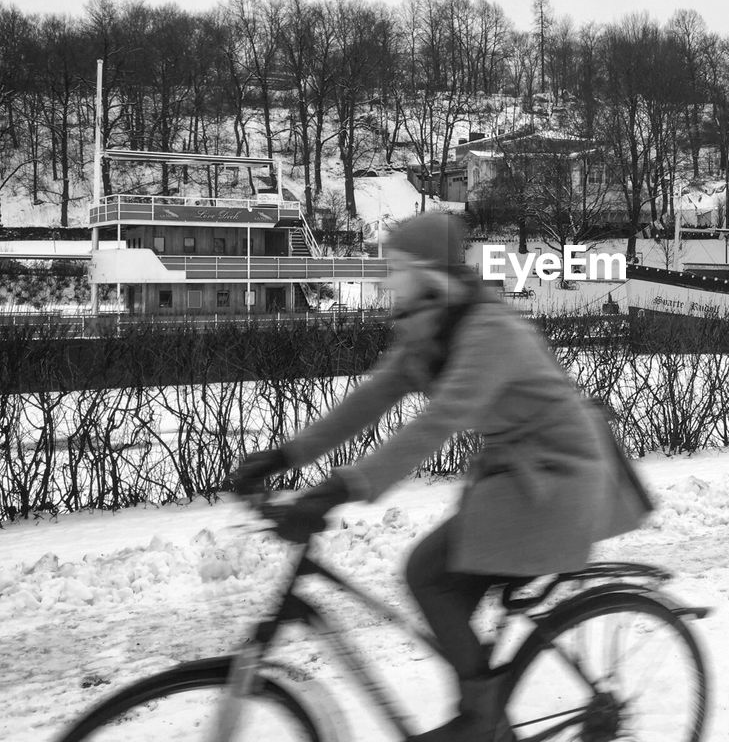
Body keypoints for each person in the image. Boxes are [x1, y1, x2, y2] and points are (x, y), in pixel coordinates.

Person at [231, 212, 651, 742]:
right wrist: (283, 456)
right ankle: (483, 713)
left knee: (428, 573)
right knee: (439, 586)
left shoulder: (489, 331)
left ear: (427, 272)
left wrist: (342, 487)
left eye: (395, 267)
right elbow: (366, 402)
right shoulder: (430, 331)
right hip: (518, 478)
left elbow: (437, 423)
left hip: (557, 480)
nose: (386, 279)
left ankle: (483, 722)